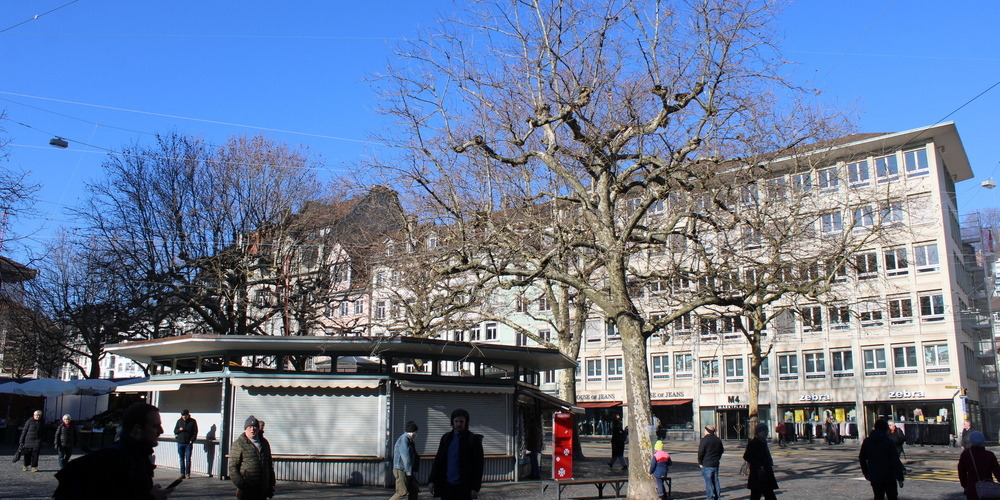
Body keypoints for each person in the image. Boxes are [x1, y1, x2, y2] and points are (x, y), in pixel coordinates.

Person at [53, 402, 175, 499]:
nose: (161, 431)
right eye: (154, 426)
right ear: (137, 429)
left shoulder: (138, 455)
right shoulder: (115, 459)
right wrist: (151, 497)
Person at [428, 408, 485, 500]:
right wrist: (432, 480)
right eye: (456, 421)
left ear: (466, 423)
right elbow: (438, 460)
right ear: (452, 422)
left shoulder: (472, 440)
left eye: (461, 422)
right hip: (447, 484)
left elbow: (478, 465)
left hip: (464, 486)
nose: (459, 424)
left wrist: (475, 487)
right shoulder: (446, 438)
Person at [230, 416, 275, 500]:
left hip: (262, 489)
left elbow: (269, 465)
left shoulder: (264, 443)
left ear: (258, 429)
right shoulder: (239, 444)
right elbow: (233, 467)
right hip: (247, 489)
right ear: (245, 429)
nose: (252, 429)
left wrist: (271, 484)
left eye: (255, 427)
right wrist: (241, 485)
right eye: (249, 427)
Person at [859, 419, 905, 500]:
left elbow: (862, 458)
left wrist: (866, 473)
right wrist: (900, 478)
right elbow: (895, 461)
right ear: (885, 429)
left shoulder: (867, 441)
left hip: (875, 476)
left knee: (878, 497)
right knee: (892, 497)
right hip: (889, 475)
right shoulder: (889, 442)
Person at [959, 431, 1000, 500]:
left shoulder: (965, 455)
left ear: (971, 441)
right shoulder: (989, 455)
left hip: (972, 488)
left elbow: (962, 473)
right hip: (988, 488)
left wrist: (965, 486)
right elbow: (997, 472)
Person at [743, 423, 778, 500]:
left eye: (767, 431)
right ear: (758, 432)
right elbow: (747, 456)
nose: (766, 433)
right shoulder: (754, 443)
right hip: (758, 474)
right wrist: (758, 465)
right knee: (757, 495)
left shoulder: (763, 442)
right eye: (764, 431)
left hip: (765, 473)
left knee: (768, 495)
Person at [390, 421, 420, 500]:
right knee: (401, 492)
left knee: (414, 490)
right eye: (416, 432)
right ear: (413, 432)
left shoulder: (408, 440)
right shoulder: (404, 440)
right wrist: (409, 472)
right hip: (402, 469)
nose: (416, 434)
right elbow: (406, 456)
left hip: (406, 469)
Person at [698, 424, 724, 500]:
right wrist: (717, 458)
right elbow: (721, 450)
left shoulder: (705, 440)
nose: (704, 431)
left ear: (707, 431)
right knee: (716, 481)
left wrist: (700, 462)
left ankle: (709, 497)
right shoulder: (717, 439)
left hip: (706, 463)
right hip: (715, 463)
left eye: (704, 430)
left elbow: (701, 452)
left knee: (708, 482)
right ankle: (717, 496)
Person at [173, 409, 198, 479]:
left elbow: (195, 432)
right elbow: (175, 431)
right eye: (182, 416)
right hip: (180, 442)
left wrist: (192, 440)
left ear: (188, 415)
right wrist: (179, 430)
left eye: (185, 416)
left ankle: (187, 474)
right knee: (181, 459)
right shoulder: (179, 421)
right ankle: (182, 473)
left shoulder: (192, 421)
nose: (183, 417)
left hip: (188, 443)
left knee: (188, 459)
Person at [524, 415, 543, 479]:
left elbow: (534, 439)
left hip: (534, 448)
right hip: (535, 448)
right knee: (533, 461)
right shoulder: (536, 430)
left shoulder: (535, 431)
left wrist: (528, 440)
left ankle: (536, 474)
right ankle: (534, 473)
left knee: (534, 461)